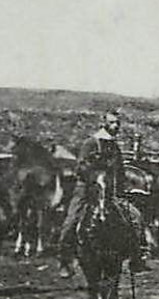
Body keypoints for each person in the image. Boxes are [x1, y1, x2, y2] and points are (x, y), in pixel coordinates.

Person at [58, 111, 150, 272]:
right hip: (87, 191)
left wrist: (123, 189)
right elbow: (81, 167)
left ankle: (137, 256)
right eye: (112, 123)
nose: (115, 127)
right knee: (71, 222)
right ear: (104, 123)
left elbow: (120, 171)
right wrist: (95, 178)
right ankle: (65, 260)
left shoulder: (114, 147)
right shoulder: (91, 143)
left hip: (110, 192)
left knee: (135, 217)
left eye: (117, 124)